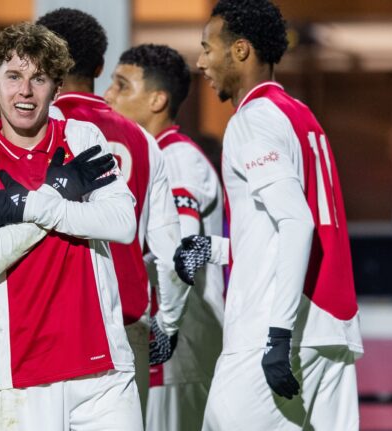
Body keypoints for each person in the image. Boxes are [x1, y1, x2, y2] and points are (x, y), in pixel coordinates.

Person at [176, 1, 362, 429]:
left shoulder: (253, 120)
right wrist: (216, 248)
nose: (201, 63)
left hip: (274, 327)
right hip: (333, 328)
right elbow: (280, 226)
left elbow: (297, 222)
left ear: (240, 50)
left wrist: (278, 334)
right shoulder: (300, 115)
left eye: (207, 48)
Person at [0, 22, 142, 430]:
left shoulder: (81, 136)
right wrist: (58, 193)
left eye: (38, 79)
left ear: (56, 89)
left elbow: (122, 223)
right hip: (23, 378)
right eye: (13, 77)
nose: (24, 91)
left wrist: (26, 205)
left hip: (105, 370)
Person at [104, 43, 225, 431]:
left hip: (177, 350)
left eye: (122, 86)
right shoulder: (150, 156)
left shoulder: (176, 159)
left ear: (157, 100)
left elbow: (180, 251)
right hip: (162, 347)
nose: (108, 95)